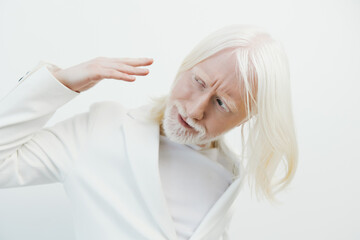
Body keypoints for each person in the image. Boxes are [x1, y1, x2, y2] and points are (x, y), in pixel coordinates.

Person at [0, 25, 298, 240]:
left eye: (222, 103)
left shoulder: (228, 173)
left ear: (246, 118)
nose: (195, 110)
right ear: (186, 65)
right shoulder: (100, 129)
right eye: (199, 81)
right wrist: (62, 82)